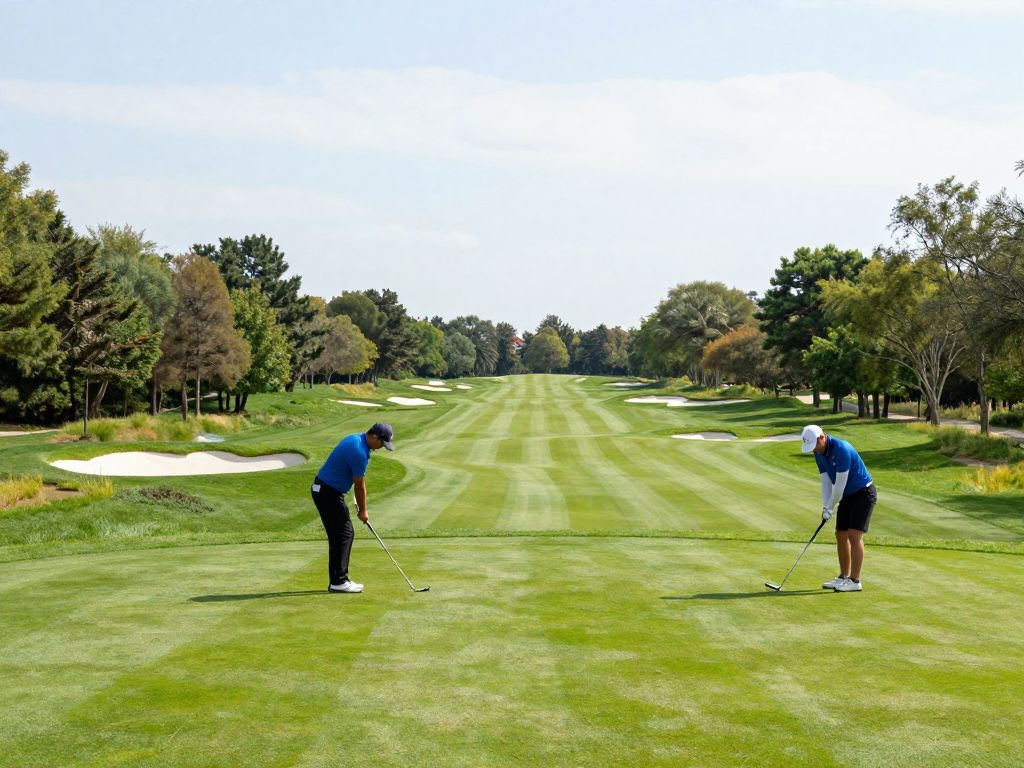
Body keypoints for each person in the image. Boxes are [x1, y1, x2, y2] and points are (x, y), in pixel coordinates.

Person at [311, 422, 395, 593]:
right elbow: (359, 485)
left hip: (325, 490)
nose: (380, 448)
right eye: (381, 444)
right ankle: (339, 582)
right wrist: (363, 511)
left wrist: (358, 502)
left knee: (340, 534)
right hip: (327, 493)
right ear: (374, 437)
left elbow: (352, 478)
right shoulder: (359, 452)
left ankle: (339, 580)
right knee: (344, 533)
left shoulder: (356, 439)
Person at [800, 424, 877, 593]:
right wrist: (825, 506)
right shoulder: (819, 452)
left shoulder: (842, 449)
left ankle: (855, 581)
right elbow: (826, 481)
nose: (813, 450)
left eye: (814, 446)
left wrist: (831, 506)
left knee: (854, 535)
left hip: (863, 493)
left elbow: (839, 486)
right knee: (840, 534)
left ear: (822, 437)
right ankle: (843, 577)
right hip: (848, 495)